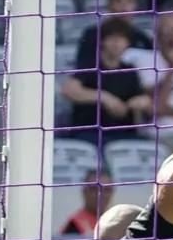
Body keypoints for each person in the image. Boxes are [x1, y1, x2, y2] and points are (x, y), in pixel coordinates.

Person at [62, 17, 153, 148]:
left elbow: (144, 100)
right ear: (103, 41)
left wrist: (141, 101)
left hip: (124, 134)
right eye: (112, 38)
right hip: (91, 133)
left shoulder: (130, 70)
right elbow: (69, 91)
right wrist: (103, 97)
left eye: (121, 39)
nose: (116, 43)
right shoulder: (91, 66)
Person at [73, 0, 154, 71]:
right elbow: (82, 73)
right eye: (118, 1)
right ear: (109, 5)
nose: (124, 8)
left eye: (129, 1)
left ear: (135, 5)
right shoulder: (92, 35)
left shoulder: (143, 38)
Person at [62, 170, 115, 236]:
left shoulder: (116, 222)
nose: (101, 194)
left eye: (107, 189)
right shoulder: (74, 225)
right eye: (94, 189)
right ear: (84, 191)